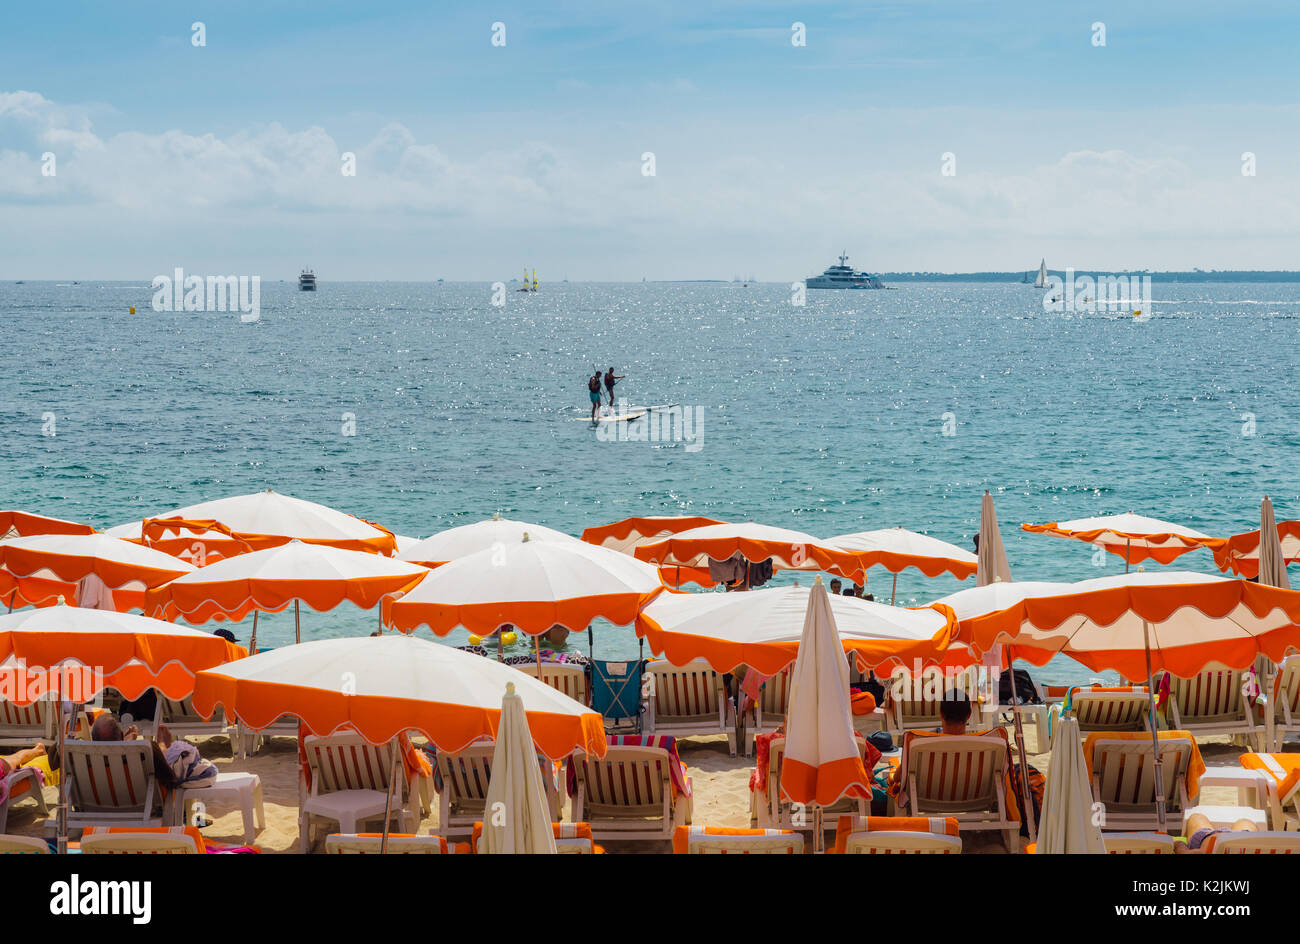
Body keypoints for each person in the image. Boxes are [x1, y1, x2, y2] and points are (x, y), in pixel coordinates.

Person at [1175, 812, 1261, 853]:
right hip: (1241, 838)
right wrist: (1178, 844)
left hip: (1206, 837)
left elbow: (1184, 852)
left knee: (1196, 817)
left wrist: (1178, 844)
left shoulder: (1203, 852)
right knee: (1245, 821)